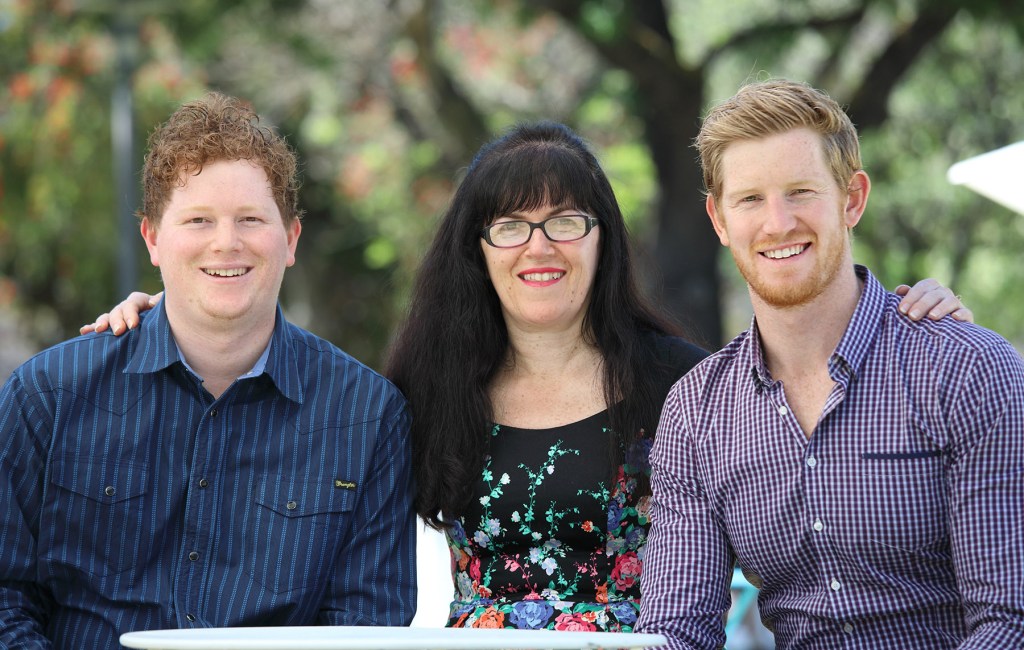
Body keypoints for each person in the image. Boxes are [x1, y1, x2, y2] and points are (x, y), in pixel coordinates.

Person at [82, 122, 969, 633]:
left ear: (602, 238)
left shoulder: (684, 386)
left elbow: (802, 400)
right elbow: (280, 426)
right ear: (477, 249)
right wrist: (162, 315)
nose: (538, 246)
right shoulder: (423, 390)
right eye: (509, 226)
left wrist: (901, 315)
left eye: (565, 221)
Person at [0, 92, 416, 649]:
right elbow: (6, 596)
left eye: (250, 219)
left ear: (290, 239)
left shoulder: (367, 416)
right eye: (198, 220)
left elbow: (368, 627)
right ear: (152, 238)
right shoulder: (50, 394)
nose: (227, 242)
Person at [637, 78, 1024, 649]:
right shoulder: (697, 411)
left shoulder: (966, 370)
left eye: (800, 191)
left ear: (852, 199)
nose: (777, 223)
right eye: (750, 199)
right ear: (719, 221)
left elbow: (1008, 622)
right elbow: (677, 632)